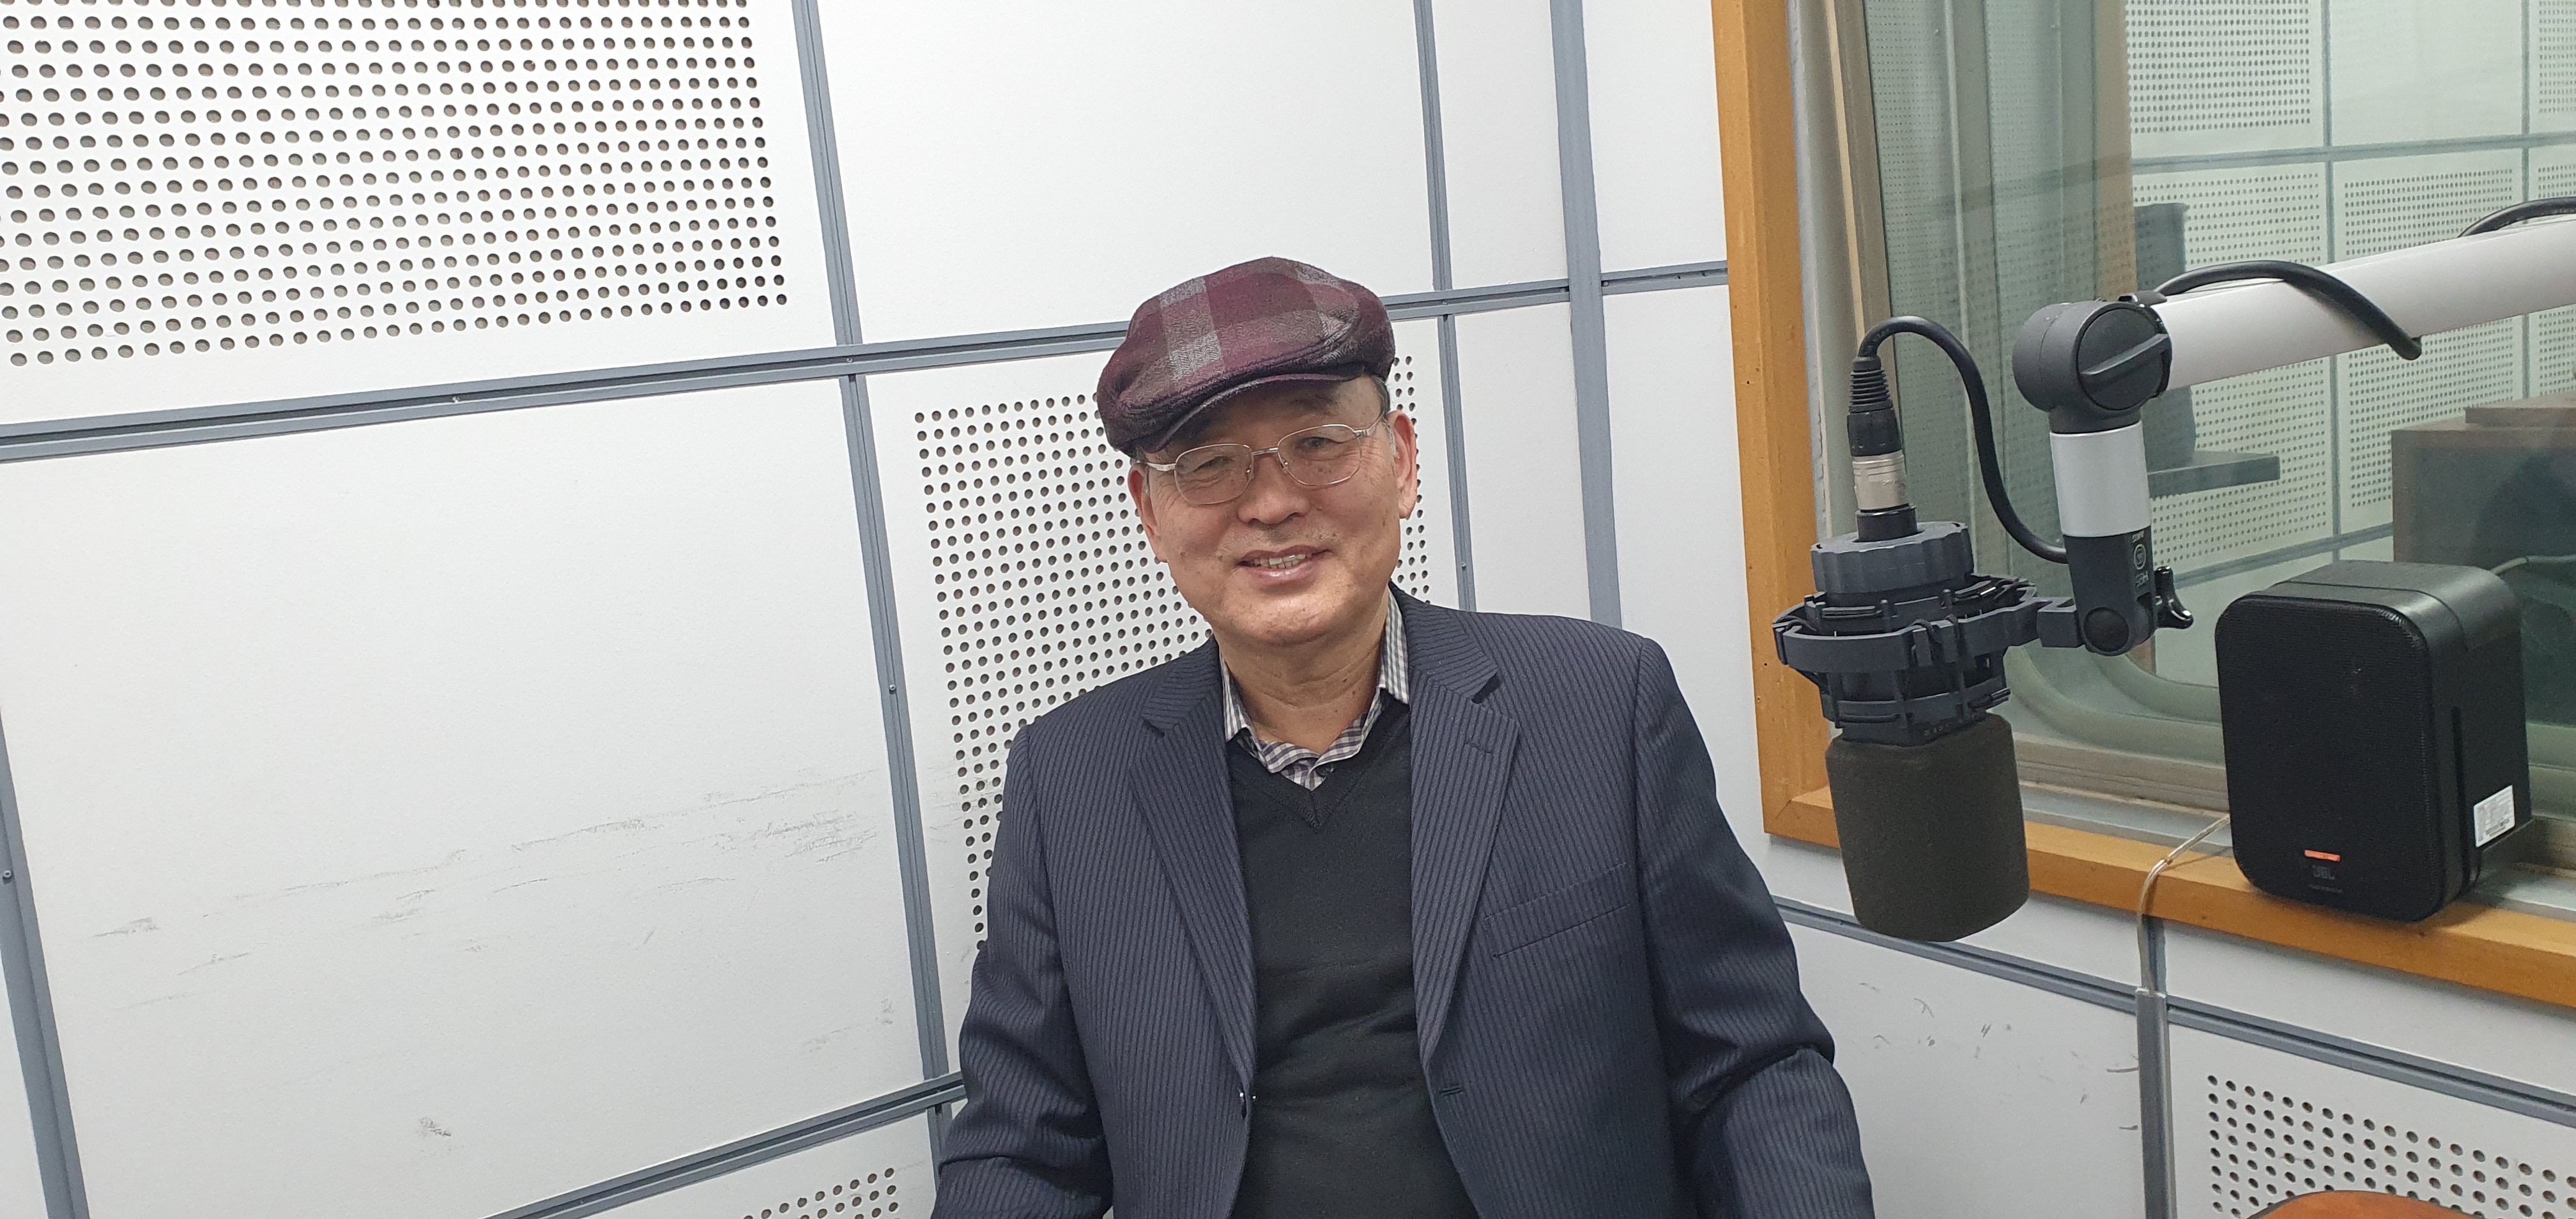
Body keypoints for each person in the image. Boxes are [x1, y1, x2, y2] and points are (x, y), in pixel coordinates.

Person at [931, 257, 1874, 1219]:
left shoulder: (1601, 706)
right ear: (1149, 512)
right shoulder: (1071, 780)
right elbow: (1022, 1152)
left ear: (1403, 460)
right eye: (1209, 464)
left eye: (1317, 442)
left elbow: (1750, 1067)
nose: (1271, 503)